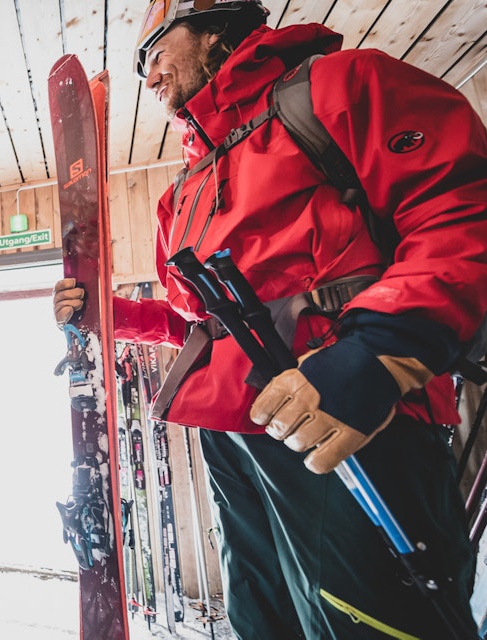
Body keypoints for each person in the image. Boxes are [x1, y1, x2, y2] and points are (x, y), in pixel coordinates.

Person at [54, 1, 487, 637]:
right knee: (262, 620)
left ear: (213, 28)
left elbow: (459, 207)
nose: (149, 77)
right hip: (234, 429)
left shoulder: (335, 88)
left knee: (366, 622)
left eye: (156, 52)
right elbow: (203, 326)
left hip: (345, 412)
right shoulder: (184, 189)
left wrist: (377, 354)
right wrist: (108, 316)